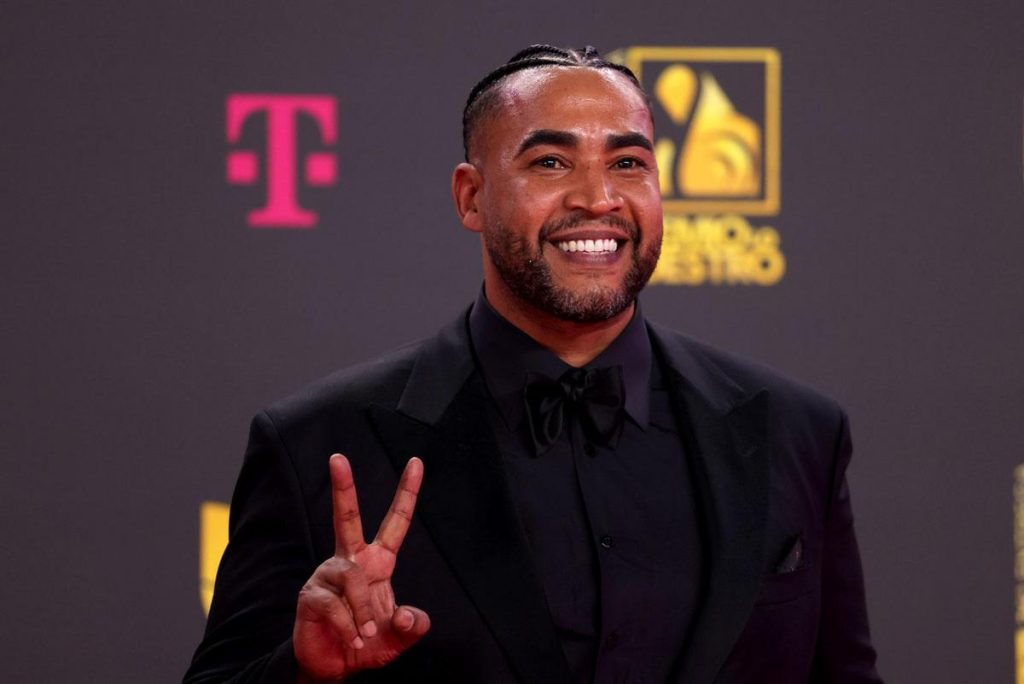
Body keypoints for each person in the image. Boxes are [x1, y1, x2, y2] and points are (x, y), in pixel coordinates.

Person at [185, 45, 883, 684]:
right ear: (470, 196)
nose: (597, 199)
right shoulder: (319, 443)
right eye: (550, 163)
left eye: (628, 163)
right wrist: (302, 675)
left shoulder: (798, 432)